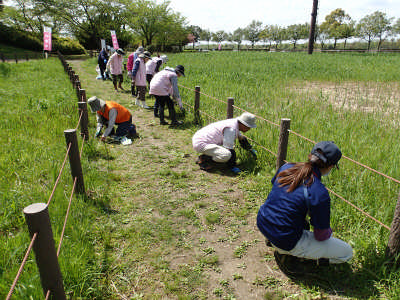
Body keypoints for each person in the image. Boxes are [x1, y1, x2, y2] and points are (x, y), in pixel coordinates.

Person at [257, 141, 353, 268]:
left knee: (302, 222)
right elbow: (321, 236)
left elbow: (279, 191)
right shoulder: (319, 192)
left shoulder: (287, 167)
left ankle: (274, 242)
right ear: (331, 166)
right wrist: (329, 231)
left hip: (263, 222)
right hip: (285, 240)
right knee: (347, 252)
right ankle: (299, 260)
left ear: (311, 155)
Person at [192, 112, 257, 174]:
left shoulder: (235, 123)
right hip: (201, 143)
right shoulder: (231, 129)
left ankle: (206, 156)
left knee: (226, 154)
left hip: (201, 139)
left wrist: (250, 149)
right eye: (248, 127)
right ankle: (205, 160)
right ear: (243, 124)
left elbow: (241, 138)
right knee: (226, 155)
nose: (249, 129)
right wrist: (232, 166)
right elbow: (230, 149)